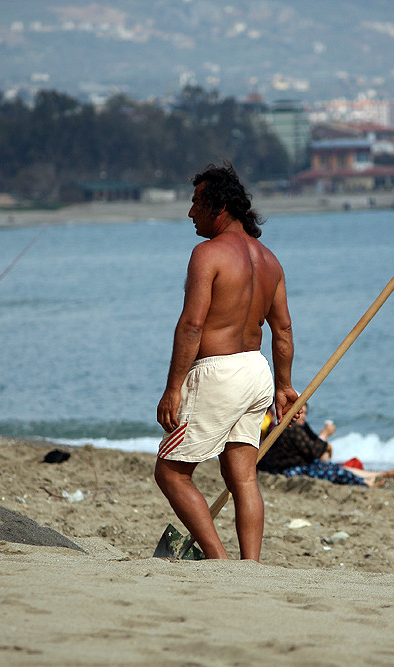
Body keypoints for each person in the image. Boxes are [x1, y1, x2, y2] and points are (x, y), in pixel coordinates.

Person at [155, 161, 299, 561]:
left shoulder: (208, 254)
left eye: (196, 203)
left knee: (170, 472)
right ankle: (249, 566)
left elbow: (192, 326)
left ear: (218, 207)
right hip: (256, 371)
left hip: (218, 373)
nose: (190, 213)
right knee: (243, 476)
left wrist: (173, 388)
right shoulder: (270, 260)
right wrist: (285, 387)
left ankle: (218, 560)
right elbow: (283, 331)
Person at [258, 403, 394, 486]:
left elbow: (313, 445)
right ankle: (367, 482)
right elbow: (314, 450)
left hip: (299, 465)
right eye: (301, 413)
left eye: (305, 413)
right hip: (286, 470)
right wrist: (325, 434)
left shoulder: (300, 426)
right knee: (334, 470)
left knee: (335, 467)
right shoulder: (290, 428)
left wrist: (324, 442)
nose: (304, 416)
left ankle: (376, 475)